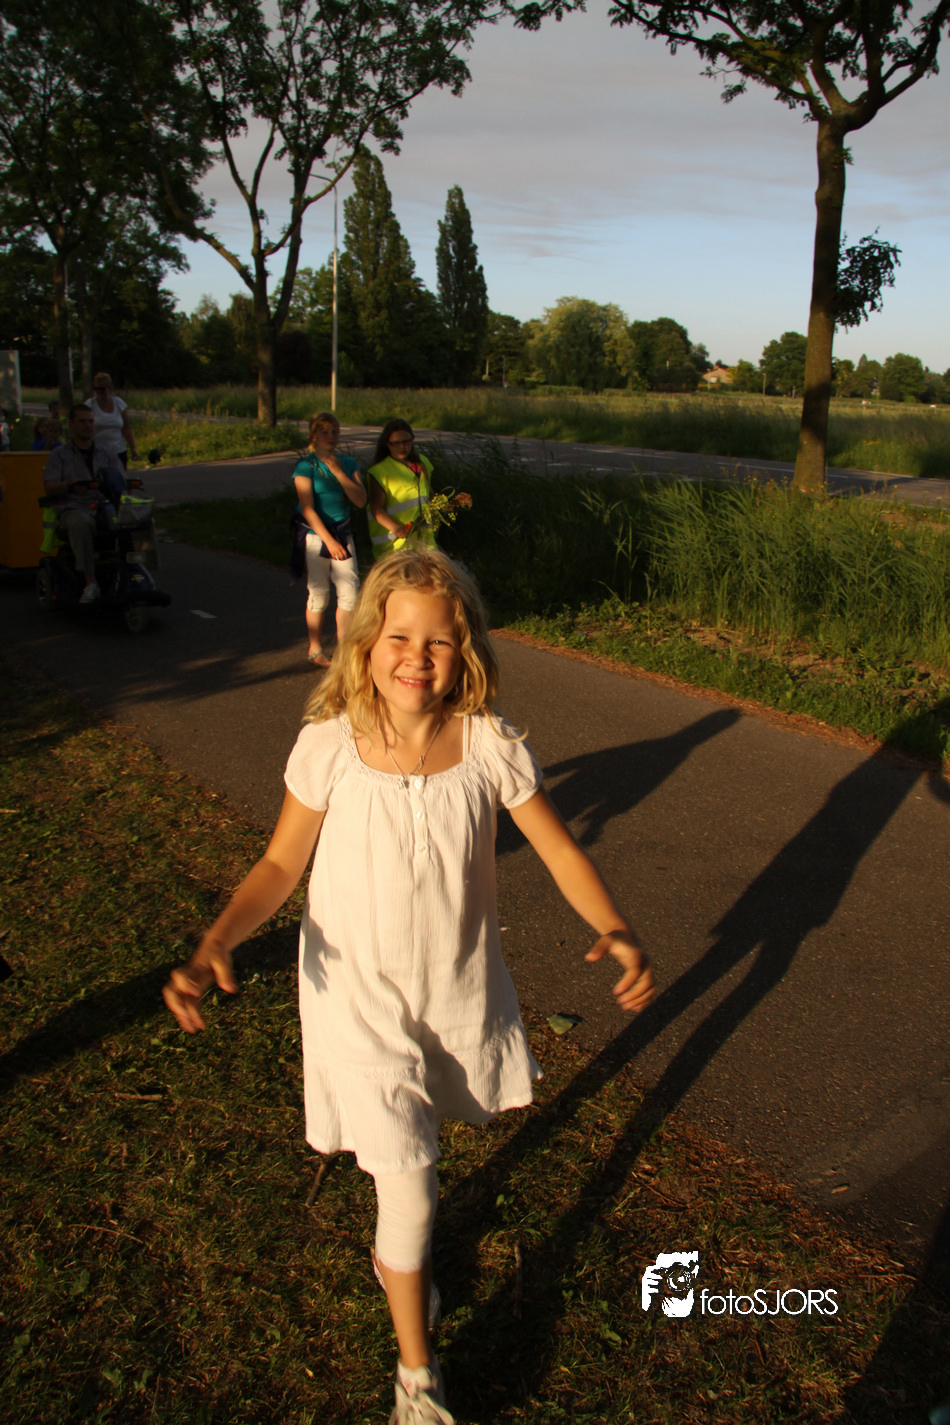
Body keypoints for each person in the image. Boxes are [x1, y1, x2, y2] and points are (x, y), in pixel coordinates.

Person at [163, 549, 655, 1425]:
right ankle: (417, 1379)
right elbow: (279, 863)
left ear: (466, 652)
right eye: (398, 636)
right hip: (354, 1000)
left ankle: (405, 1266)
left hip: (450, 992)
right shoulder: (330, 745)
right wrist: (216, 940)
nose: (416, 656)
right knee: (413, 1183)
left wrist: (613, 925)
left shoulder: (492, 747)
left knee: (417, 1171)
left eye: (438, 640)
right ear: (366, 643)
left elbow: (558, 848)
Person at [292, 411, 367, 667]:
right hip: (317, 536)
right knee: (319, 593)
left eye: (335, 431)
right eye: (324, 431)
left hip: (343, 533)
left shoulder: (348, 463)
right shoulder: (306, 467)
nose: (331, 436)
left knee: (350, 591)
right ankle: (315, 648)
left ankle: (344, 649)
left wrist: (339, 473)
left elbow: (360, 500)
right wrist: (329, 542)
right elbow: (307, 509)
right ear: (313, 436)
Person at [42, 404, 114, 603]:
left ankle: (137, 572)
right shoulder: (58, 455)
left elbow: (121, 480)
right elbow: (49, 486)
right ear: (71, 424)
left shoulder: (106, 452)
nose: (87, 425)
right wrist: (69, 485)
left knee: (137, 518)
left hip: (102, 505)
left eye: (90, 421)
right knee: (81, 523)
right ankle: (90, 582)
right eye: (82, 421)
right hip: (73, 507)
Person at [367, 419, 438, 561]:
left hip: (425, 541)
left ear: (412, 440)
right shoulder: (380, 471)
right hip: (397, 543)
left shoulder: (422, 462)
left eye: (406, 442)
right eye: (396, 443)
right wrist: (395, 528)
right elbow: (376, 508)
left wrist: (436, 521)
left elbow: (429, 493)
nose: (402, 447)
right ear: (387, 444)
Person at [85, 371, 138, 469]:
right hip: (97, 453)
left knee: (119, 477)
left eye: (102, 388)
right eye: (96, 388)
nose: (99, 391)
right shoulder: (90, 404)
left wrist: (133, 448)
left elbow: (126, 429)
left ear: (109, 388)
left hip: (118, 451)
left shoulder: (118, 403)